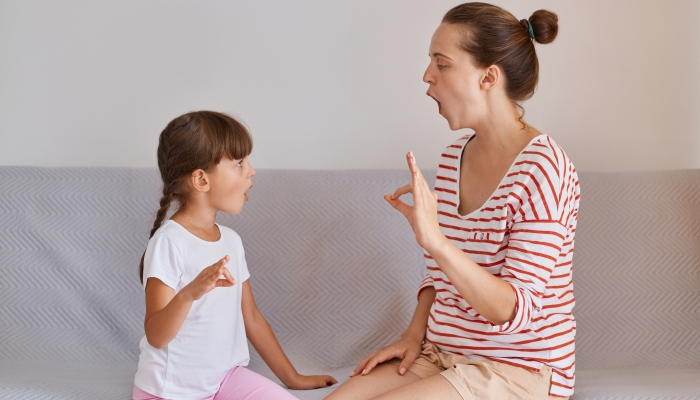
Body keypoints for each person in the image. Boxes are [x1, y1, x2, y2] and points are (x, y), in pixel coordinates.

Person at [327, 3, 579, 399]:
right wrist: (414, 334)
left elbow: (513, 309)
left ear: (488, 77)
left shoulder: (544, 167)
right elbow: (439, 277)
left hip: (518, 368)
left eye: (442, 64)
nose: (427, 76)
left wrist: (437, 242)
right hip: (444, 353)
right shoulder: (453, 157)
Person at [133, 111, 337, 399]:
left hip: (226, 380)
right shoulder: (169, 242)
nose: (251, 171)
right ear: (201, 180)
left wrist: (293, 378)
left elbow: (251, 317)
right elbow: (156, 335)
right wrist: (189, 293)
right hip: (170, 390)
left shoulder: (231, 241)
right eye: (239, 163)